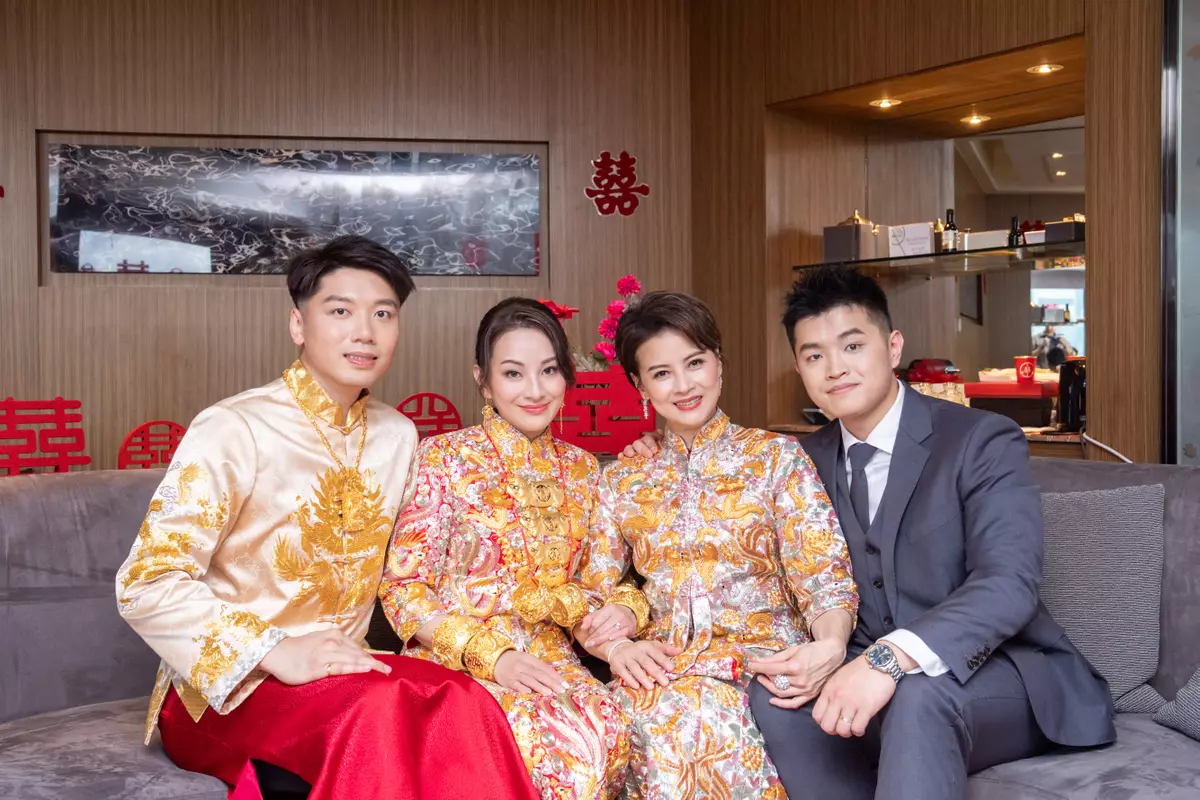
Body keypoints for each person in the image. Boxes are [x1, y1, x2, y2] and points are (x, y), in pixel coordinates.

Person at [116, 235, 539, 800]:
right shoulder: (234, 428)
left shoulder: (397, 436)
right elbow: (146, 582)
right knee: (375, 714)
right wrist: (275, 652)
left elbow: (437, 548)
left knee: (466, 701)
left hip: (347, 672)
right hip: (227, 690)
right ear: (298, 324)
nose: (365, 332)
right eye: (340, 311)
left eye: (383, 314)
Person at [746, 264, 1115, 800]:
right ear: (799, 368)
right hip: (863, 667)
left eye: (853, 346)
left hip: (997, 672)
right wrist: (658, 448)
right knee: (777, 697)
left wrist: (888, 660)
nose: (835, 368)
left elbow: (1008, 583)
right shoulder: (799, 461)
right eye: (814, 356)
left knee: (919, 697)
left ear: (893, 346)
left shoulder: (981, 439)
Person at [585, 291, 858, 800]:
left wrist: (830, 645)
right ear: (639, 386)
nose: (684, 385)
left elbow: (824, 575)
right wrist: (619, 647)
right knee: (595, 726)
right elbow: (592, 593)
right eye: (661, 373)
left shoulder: (776, 458)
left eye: (695, 363)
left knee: (681, 726)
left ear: (719, 363)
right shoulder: (622, 479)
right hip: (662, 670)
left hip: (765, 665)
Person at [378, 297, 634, 800]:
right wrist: (492, 657)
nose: (535, 390)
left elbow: (599, 585)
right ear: (484, 380)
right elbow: (404, 589)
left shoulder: (584, 470)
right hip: (455, 661)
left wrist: (624, 613)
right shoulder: (444, 458)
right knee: (541, 748)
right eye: (513, 373)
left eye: (549, 370)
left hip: (553, 663)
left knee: (608, 728)